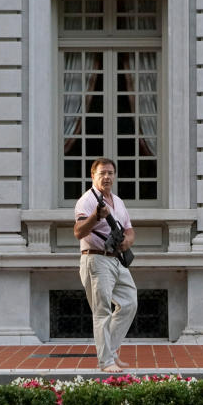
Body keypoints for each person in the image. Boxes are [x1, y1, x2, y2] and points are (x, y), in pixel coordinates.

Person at [74, 158, 137, 373]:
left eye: (110, 173)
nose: (107, 177)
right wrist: (95, 217)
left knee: (129, 302)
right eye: (102, 173)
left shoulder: (118, 201)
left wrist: (127, 241)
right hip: (96, 259)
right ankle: (106, 362)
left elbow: (129, 229)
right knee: (102, 312)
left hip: (116, 260)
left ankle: (111, 351)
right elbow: (78, 232)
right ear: (93, 176)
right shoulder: (87, 201)